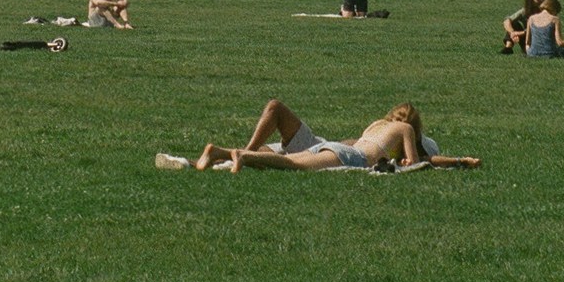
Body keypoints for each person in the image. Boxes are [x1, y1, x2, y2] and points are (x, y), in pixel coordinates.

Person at [163, 101, 479, 173]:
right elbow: (413, 161)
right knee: (293, 166)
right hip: (345, 154)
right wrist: (460, 161)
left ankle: (220, 152)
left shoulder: (374, 125)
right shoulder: (406, 130)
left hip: (337, 147)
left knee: (288, 161)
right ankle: (240, 156)